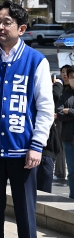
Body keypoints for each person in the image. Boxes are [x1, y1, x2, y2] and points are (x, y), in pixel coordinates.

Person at [0, 0, 54, 238]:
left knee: (26, 214)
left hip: (24, 152)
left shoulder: (36, 61)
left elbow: (46, 108)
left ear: (21, 29)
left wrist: (37, 146)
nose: (1, 27)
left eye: (7, 22)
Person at [56, 65, 74, 199]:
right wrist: (65, 112)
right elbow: (59, 114)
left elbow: (64, 112)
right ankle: (73, 195)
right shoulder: (64, 94)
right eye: (72, 77)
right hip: (68, 138)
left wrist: (70, 111)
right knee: (72, 171)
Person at [54, 64, 71, 179]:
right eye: (62, 72)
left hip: (68, 122)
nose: (64, 74)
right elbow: (59, 109)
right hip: (59, 120)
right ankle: (60, 172)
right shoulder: (60, 89)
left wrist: (68, 111)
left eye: (66, 72)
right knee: (60, 147)